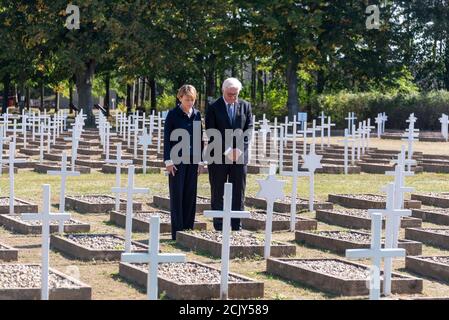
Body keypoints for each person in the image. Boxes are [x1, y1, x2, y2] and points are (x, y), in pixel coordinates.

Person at [205, 78, 253, 231]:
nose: (233, 97)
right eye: (230, 94)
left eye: (235, 94)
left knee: (238, 191)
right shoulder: (213, 107)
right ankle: (219, 225)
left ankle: (236, 224)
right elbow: (211, 131)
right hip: (218, 156)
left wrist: (239, 150)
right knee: (218, 190)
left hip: (239, 157)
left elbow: (248, 129)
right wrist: (227, 150)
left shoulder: (245, 106)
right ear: (223, 91)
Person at [164, 85, 204, 240]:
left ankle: (188, 229)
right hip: (176, 160)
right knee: (177, 194)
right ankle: (177, 232)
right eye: (187, 99)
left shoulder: (197, 115)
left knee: (190, 194)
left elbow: (199, 139)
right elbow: (167, 139)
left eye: (192, 100)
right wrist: (168, 161)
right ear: (180, 98)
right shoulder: (173, 115)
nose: (190, 103)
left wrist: (201, 161)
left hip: (193, 160)